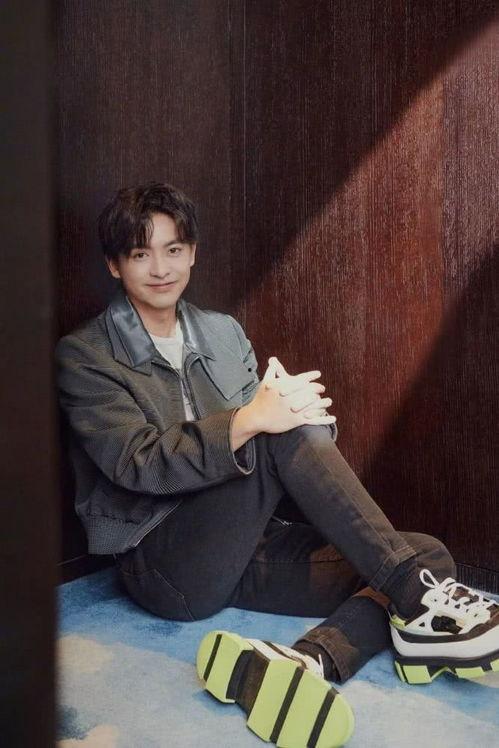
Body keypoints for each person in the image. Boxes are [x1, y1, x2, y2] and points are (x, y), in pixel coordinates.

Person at [55, 181, 499, 748]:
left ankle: (308, 662)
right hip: (166, 566)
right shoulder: (85, 355)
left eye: (173, 249)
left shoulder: (222, 332)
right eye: (141, 254)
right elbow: (136, 463)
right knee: (282, 445)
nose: (161, 268)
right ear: (115, 265)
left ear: (192, 253)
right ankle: (418, 600)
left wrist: (304, 416)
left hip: (246, 545)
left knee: (424, 553)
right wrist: (253, 421)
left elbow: (280, 442)